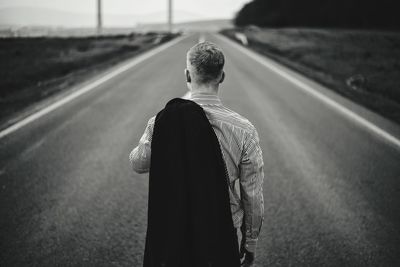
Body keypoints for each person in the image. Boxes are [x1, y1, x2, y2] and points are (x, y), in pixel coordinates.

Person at [130, 41, 264, 267]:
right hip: (221, 232)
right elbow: (252, 193)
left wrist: (154, 134)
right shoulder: (244, 130)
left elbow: (138, 163)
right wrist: (249, 242)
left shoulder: (162, 121)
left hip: (173, 233)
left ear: (187, 76)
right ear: (222, 77)